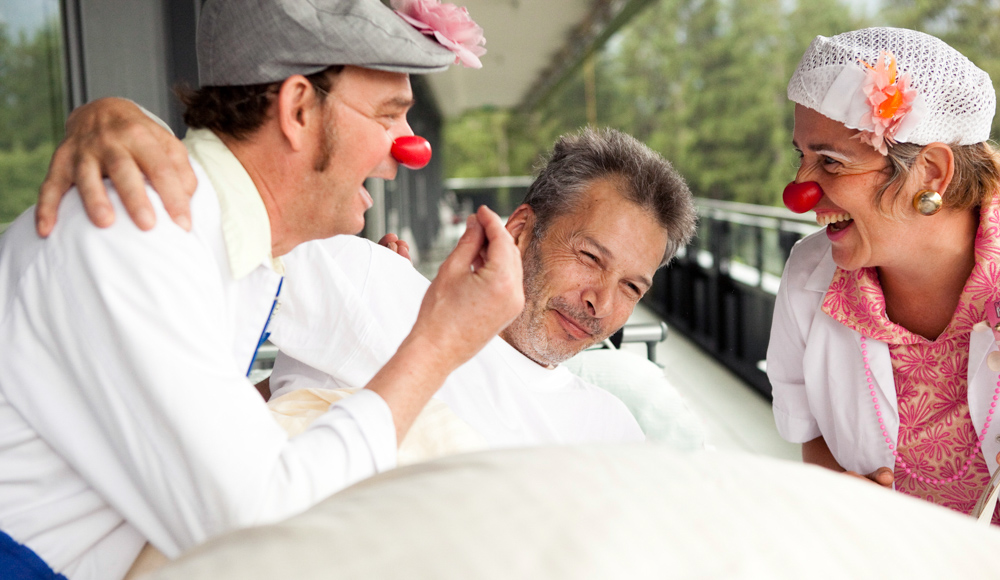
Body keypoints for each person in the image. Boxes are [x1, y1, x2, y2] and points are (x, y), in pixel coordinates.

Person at [0, 1, 523, 578]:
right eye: (389, 116)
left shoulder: (237, 247)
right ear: (298, 108)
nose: (406, 152)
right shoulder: (137, 233)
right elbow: (260, 534)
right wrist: (439, 341)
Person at [38, 108, 702, 447]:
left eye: (631, 287)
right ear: (522, 229)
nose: (600, 301)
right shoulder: (375, 286)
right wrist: (118, 118)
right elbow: (227, 216)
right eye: (590, 257)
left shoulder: (611, 427)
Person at [767, 27, 1000, 522]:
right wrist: (845, 500)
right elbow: (809, 431)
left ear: (933, 173)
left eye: (830, 161)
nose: (799, 192)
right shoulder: (807, 276)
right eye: (801, 156)